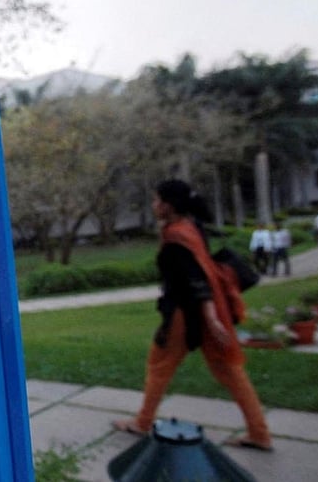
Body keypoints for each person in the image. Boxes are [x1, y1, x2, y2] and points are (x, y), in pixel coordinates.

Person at [112, 179, 272, 451]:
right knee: (229, 371)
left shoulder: (176, 236)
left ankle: (142, 422)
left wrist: (210, 317)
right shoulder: (192, 228)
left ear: (168, 205)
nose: (153, 205)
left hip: (184, 315)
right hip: (198, 313)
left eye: (156, 200)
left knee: (158, 367)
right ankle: (259, 433)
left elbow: (195, 277)